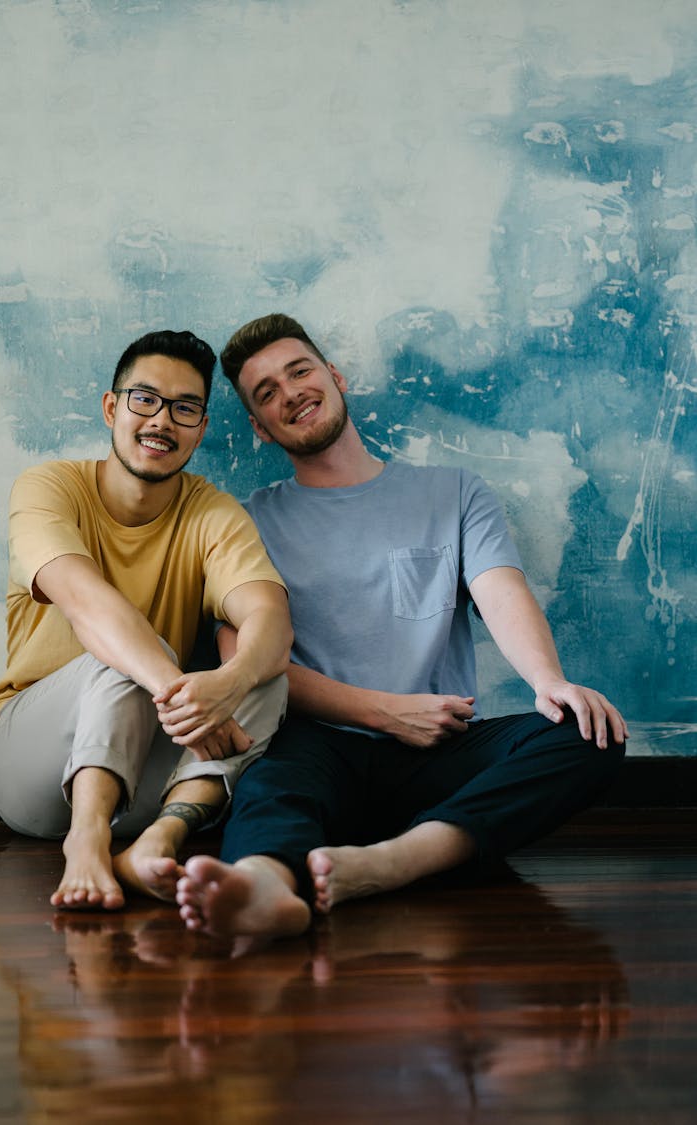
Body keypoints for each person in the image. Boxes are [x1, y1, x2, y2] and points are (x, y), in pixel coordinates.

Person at [176, 313, 628, 941]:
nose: (291, 393)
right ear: (259, 426)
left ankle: (396, 863)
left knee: (588, 733)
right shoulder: (245, 522)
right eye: (267, 393)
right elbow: (249, 663)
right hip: (319, 749)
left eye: (299, 371)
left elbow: (500, 589)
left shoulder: (455, 492)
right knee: (271, 778)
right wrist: (384, 713)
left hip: (439, 754)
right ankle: (263, 886)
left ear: (334, 377)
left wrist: (549, 682)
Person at [0, 329, 292, 910]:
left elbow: (269, 616)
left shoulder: (211, 512)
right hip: (27, 766)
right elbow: (85, 603)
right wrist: (185, 695)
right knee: (125, 655)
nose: (161, 421)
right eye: (144, 399)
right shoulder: (49, 487)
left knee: (264, 671)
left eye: (184, 408)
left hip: (145, 772)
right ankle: (87, 839)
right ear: (111, 407)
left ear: (199, 428)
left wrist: (231, 683)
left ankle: (155, 842)